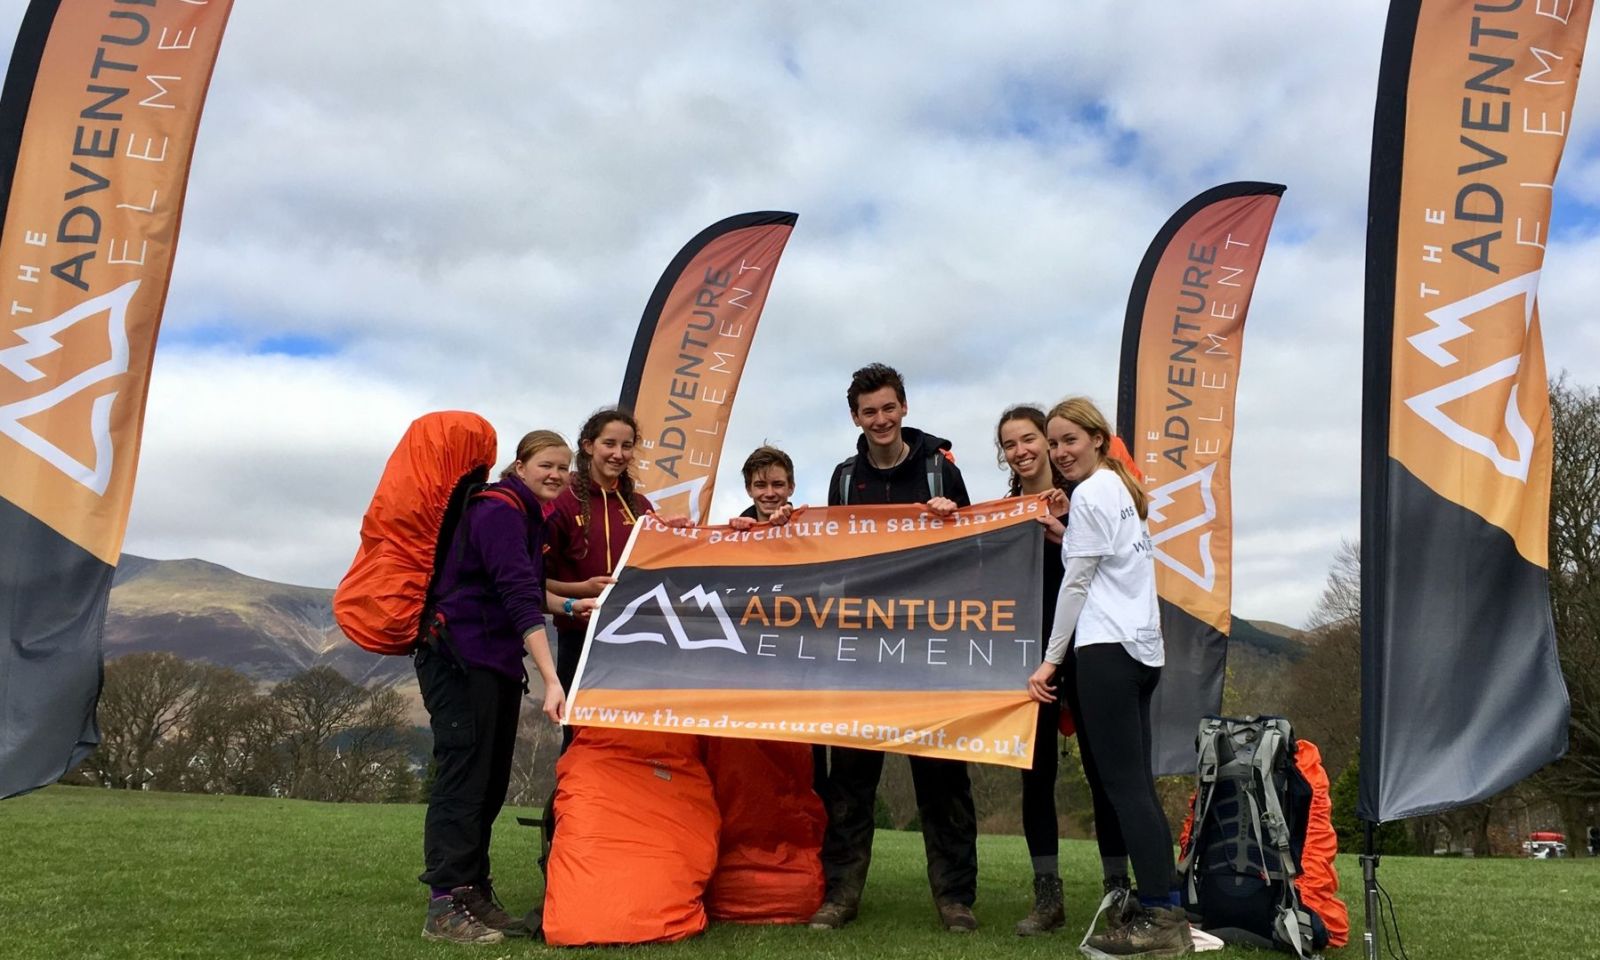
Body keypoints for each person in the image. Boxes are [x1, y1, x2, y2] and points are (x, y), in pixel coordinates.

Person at [809, 362, 978, 934]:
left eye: (888, 408)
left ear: (903, 407)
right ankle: (840, 896)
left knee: (943, 781)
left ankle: (955, 900)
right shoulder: (841, 478)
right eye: (868, 411)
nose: (880, 419)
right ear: (855, 417)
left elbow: (979, 548)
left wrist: (953, 520)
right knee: (850, 782)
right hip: (860, 650)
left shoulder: (939, 471)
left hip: (932, 649)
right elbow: (826, 556)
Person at [1026, 397, 1193, 957]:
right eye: (1052, 443)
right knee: (1138, 788)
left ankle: (1161, 920)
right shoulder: (1116, 490)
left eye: (1069, 440)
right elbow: (1099, 561)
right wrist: (1062, 530)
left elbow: (1075, 587)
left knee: (1125, 791)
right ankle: (1167, 904)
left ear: (1099, 438)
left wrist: (1051, 661)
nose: (1058, 452)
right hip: (1143, 652)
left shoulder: (1093, 492)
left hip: (1105, 653)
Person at [418, 430, 598, 945]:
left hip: (489, 660)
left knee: (490, 782)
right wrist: (551, 677)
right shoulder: (499, 510)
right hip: (458, 657)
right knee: (463, 781)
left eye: (563, 468)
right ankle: (444, 905)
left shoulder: (524, 513)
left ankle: (473, 891)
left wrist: (572, 602)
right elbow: (518, 596)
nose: (556, 475)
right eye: (546, 464)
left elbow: (518, 584)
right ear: (520, 466)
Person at [994, 405, 1071, 936]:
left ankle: (1121, 894)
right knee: (1035, 778)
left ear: (1048, 442)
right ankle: (1048, 900)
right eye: (1009, 445)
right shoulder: (1002, 510)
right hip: (1028, 661)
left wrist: (1066, 529)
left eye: (1028, 440)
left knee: (1111, 777)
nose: (1020, 451)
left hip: (1089, 651)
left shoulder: (1088, 495)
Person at [543, 409, 655, 714]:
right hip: (579, 639)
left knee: (627, 734)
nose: (618, 454)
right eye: (610, 444)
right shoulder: (561, 501)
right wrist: (582, 588)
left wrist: (679, 533)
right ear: (589, 446)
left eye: (627, 446)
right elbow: (534, 583)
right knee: (578, 734)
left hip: (635, 641)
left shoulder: (642, 507)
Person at [730, 444, 798, 527]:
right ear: (749, 490)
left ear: (791, 488)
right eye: (760, 485)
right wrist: (740, 537)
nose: (770, 494)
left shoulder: (811, 530)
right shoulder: (734, 537)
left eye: (778, 485)